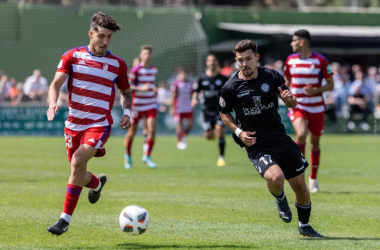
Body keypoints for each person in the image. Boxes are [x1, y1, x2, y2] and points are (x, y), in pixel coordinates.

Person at [218, 39, 323, 237]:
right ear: (236, 61)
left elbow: (289, 101)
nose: (245, 64)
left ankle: (304, 226)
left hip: (280, 137)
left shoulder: (271, 76)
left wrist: (291, 101)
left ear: (256, 58)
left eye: (248, 59)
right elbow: (224, 113)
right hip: (255, 141)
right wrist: (239, 132)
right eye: (240, 60)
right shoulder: (230, 87)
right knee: (276, 178)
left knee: (300, 186)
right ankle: (280, 196)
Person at [46, 12, 132, 236]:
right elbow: (54, 85)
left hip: (99, 124)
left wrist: (127, 112)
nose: (105, 41)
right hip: (73, 125)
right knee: (78, 170)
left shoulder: (117, 64)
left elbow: (126, 93)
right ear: (90, 33)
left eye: (110, 37)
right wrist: (52, 104)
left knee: (77, 162)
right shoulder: (72, 56)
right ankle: (96, 184)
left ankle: (64, 220)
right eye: (102, 36)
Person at [284, 30, 334, 193]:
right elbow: (287, 81)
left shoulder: (320, 60)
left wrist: (316, 90)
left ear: (302, 42)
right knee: (301, 134)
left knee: (315, 144)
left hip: (317, 107)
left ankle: (313, 178)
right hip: (298, 105)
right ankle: (300, 175)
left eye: (294, 41)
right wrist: (286, 95)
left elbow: (331, 84)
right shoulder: (290, 61)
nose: (292, 44)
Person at [192, 54, 229, 167]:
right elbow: (196, 91)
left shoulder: (222, 78)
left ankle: (221, 157)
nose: (211, 63)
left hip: (220, 110)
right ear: (207, 63)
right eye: (209, 61)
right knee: (208, 136)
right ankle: (210, 134)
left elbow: (228, 91)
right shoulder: (202, 78)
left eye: (213, 60)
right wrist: (194, 99)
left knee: (220, 131)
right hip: (207, 111)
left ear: (216, 62)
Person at [124, 45, 158, 169]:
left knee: (152, 130)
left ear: (151, 55)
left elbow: (151, 84)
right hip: (137, 105)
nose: (147, 56)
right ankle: (127, 156)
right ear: (141, 55)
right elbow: (129, 87)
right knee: (132, 132)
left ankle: (147, 156)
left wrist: (154, 89)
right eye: (145, 54)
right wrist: (141, 88)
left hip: (151, 104)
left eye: (149, 54)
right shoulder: (135, 70)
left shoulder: (154, 69)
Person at [170, 69, 194, 150]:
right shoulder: (176, 84)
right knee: (179, 124)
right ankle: (179, 141)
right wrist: (172, 108)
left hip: (188, 106)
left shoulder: (190, 83)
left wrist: (193, 100)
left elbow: (193, 93)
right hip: (179, 107)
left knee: (190, 124)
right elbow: (173, 96)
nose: (184, 76)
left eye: (185, 74)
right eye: (182, 74)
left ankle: (182, 135)